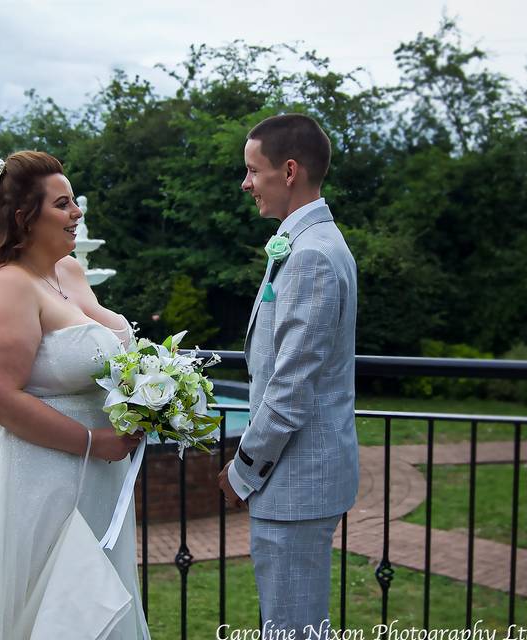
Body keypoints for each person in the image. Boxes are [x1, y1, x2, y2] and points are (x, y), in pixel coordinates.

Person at [0, 150, 151, 640]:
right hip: (35, 482)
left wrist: (154, 392)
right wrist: (95, 441)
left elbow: (104, 343)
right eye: (63, 204)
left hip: (92, 481)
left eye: (73, 202)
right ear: (24, 217)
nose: (77, 213)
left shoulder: (68, 272)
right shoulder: (8, 287)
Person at [217, 114, 359, 637]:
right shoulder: (308, 241)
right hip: (303, 477)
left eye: (253, 170)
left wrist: (242, 471)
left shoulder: (312, 256)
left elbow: (290, 389)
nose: (246, 182)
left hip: (294, 481)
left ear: (290, 171)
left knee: (292, 629)